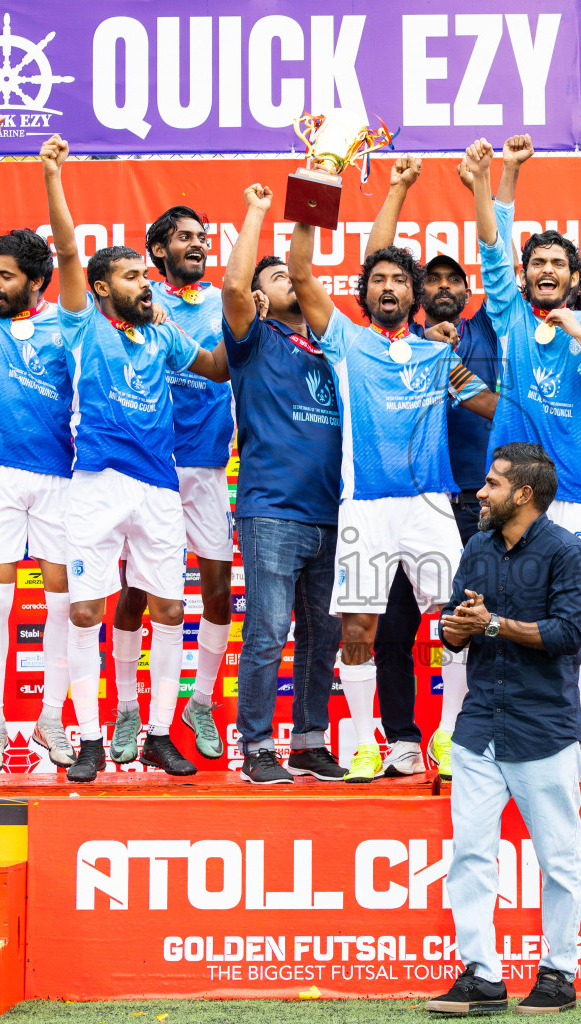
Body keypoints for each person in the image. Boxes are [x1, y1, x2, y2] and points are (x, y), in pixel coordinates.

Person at [286, 183, 498, 784]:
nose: (388, 287)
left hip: (430, 504)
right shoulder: (345, 342)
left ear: (414, 295)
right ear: (366, 293)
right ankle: (363, 743)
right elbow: (300, 273)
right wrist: (316, 185)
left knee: (460, 618)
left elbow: (489, 406)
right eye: (378, 279)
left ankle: (450, 735)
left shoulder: (438, 355)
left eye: (399, 280)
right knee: (359, 628)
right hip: (365, 507)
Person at [41, 135, 230, 783]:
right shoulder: (81, 323)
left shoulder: (163, 334)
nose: (145, 285)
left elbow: (216, 366)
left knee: (170, 609)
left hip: (159, 489)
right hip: (96, 484)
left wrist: (245, 321)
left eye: (145, 277)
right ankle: (92, 739)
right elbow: (68, 251)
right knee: (88, 610)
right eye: (132, 277)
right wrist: (54, 177)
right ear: (100, 288)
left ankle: (157, 734)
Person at [467, 136, 581, 784]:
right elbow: (492, 249)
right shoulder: (509, 317)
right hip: (515, 500)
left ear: (574, 276)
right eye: (536, 262)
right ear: (526, 275)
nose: (546, 270)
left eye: (557, 264)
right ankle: (513, 733)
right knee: (504, 614)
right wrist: (499, 176)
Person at [426, 443, 581, 1016]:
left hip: (542, 729)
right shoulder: (476, 546)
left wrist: (493, 623)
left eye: (493, 484)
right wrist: (456, 628)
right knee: (470, 854)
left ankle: (558, 974)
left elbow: (566, 635)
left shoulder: (568, 553)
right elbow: (455, 624)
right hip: (478, 727)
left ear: (523, 494)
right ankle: (481, 976)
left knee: (559, 860)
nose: (480, 492)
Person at [362, 152, 506, 780]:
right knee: (392, 628)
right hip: (406, 498)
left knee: (464, 623)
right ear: (417, 294)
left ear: (468, 294)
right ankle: (400, 738)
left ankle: (459, 734)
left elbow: (497, 254)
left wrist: (485, 186)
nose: (444, 287)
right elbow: (377, 261)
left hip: (476, 502)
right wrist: (397, 189)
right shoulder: (395, 343)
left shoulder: (486, 331)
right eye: (433, 281)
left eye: (455, 280)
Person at [0, 92, 78, 774]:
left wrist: (50, 175)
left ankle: (51, 720)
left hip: (60, 475)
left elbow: (69, 249)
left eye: (8, 277)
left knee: (63, 600)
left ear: (36, 281)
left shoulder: (69, 320)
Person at [222, 185, 346, 784]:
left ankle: (309, 742)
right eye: (276, 277)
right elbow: (231, 288)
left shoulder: (334, 346)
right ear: (259, 298)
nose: (290, 282)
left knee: (325, 636)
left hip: (333, 513)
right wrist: (257, 210)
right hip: (272, 510)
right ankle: (256, 745)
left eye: (292, 275)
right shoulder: (253, 340)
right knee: (269, 632)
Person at [109, 201, 235, 767]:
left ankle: (199, 703)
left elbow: (227, 363)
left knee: (217, 592)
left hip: (205, 464)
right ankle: (126, 708)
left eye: (202, 236)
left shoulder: (224, 301)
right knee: (137, 592)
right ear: (158, 250)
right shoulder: (137, 300)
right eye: (184, 236)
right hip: (149, 465)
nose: (197, 243)